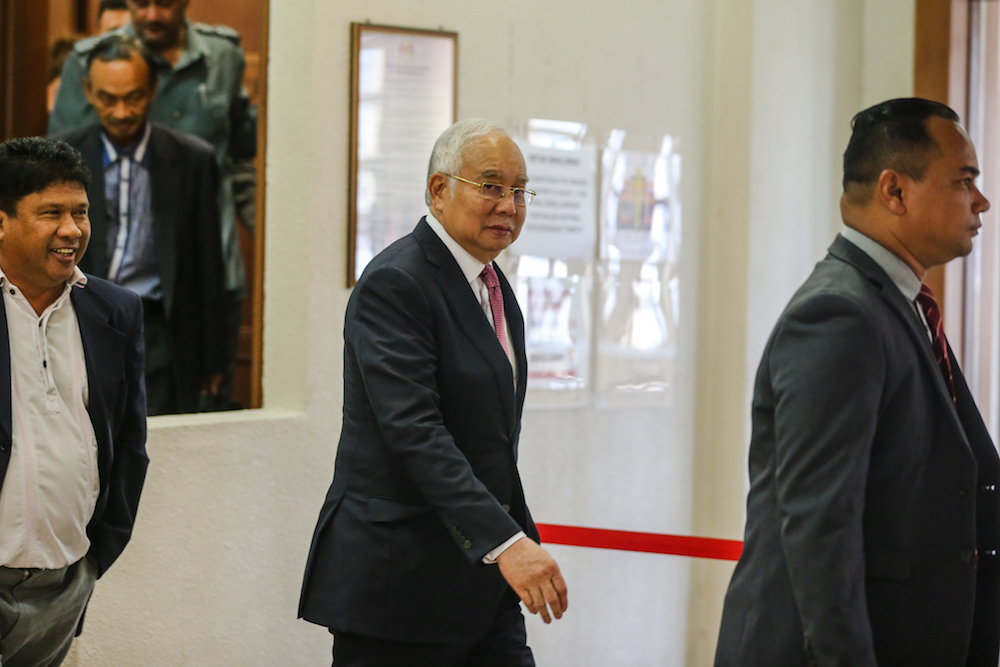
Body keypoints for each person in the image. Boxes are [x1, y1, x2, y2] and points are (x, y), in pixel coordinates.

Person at [715, 98, 1000, 666]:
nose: (981, 201)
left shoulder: (896, 304)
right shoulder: (838, 316)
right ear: (894, 191)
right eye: (964, 180)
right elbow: (821, 528)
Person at [299, 119, 568, 666]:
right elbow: (415, 431)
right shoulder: (396, 282)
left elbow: (489, 440)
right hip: (399, 585)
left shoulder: (492, 285)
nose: (508, 205)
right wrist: (507, 541)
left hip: (480, 580)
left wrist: (511, 537)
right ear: (440, 189)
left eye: (520, 191)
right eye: (491, 186)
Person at [50, 0, 256, 409]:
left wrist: (214, 354)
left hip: (163, 320)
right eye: (108, 99)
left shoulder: (191, 154)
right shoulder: (71, 149)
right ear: (90, 93)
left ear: (152, 92)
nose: (122, 112)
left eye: (134, 98)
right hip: (84, 316)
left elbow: (208, 257)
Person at [0, 137, 148, 666]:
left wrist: (91, 564)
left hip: (65, 583)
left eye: (80, 212)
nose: (72, 230)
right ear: (2, 220)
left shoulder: (115, 311)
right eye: (51, 213)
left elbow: (130, 445)